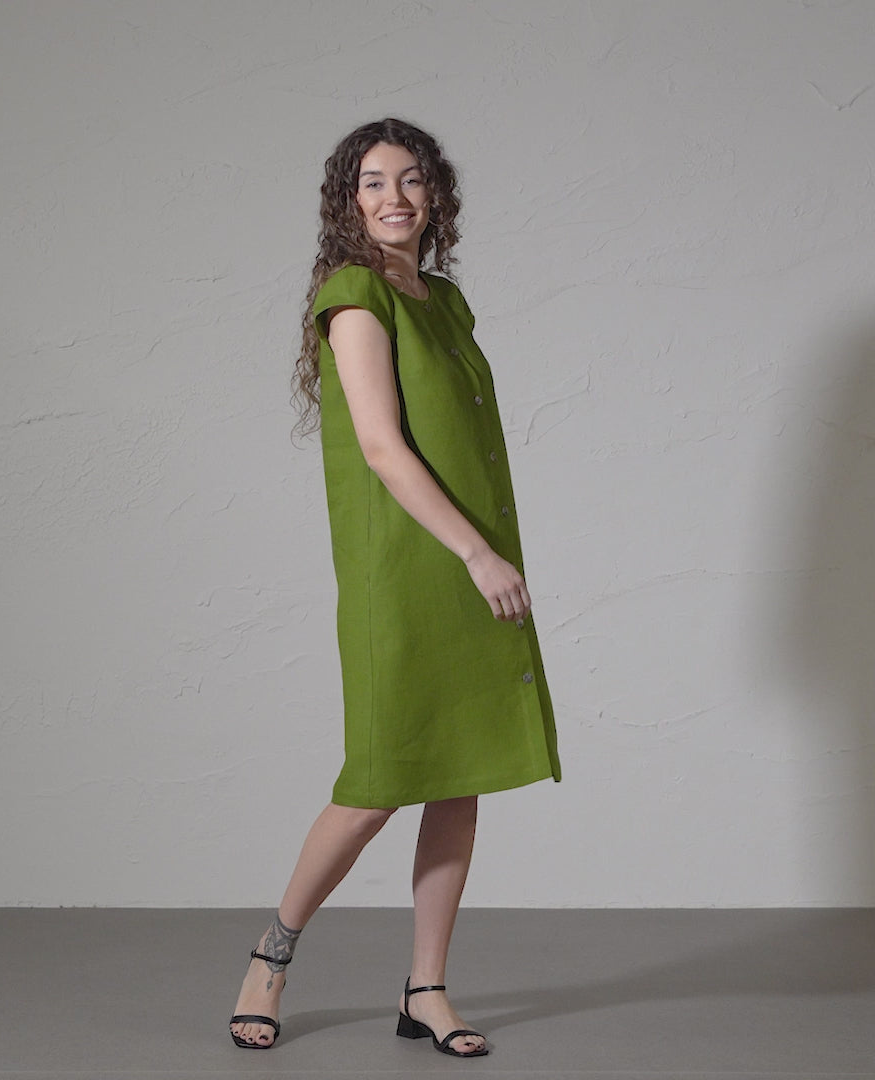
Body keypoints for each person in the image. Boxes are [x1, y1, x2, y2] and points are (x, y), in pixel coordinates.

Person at [228, 117, 561, 1059]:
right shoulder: (354, 295)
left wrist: (485, 552)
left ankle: (427, 989)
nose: (395, 199)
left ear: (436, 194)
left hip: (469, 555)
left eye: (411, 180)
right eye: (373, 183)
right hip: (413, 565)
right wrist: (477, 554)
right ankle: (272, 954)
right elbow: (382, 447)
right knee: (377, 782)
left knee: (460, 777)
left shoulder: (444, 300)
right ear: (348, 199)